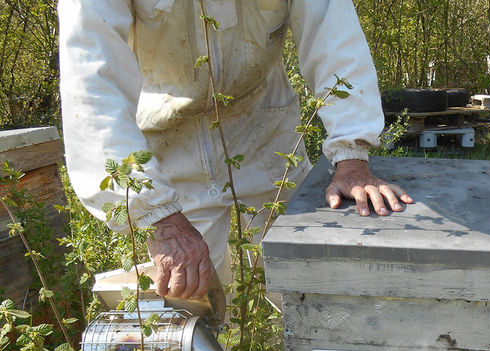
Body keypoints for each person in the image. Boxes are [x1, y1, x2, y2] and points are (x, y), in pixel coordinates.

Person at [58, 0, 413, 300]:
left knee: (304, 286)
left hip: (264, 129)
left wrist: (351, 154)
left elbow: (334, 38)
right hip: (169, 137)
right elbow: (92, 83)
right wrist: (155, 215)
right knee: (187, 303)